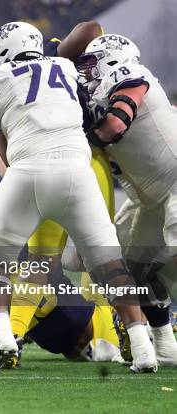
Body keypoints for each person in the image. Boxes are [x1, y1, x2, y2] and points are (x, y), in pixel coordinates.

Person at [0, 21, 156, 374]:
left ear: (2, 52)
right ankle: (142, 347)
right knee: (109, 265)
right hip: (79, 172)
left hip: (29, 172)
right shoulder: (65, 67)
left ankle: (2, 337)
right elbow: (89, 31)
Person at [76, 33, 177, 367]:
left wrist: (85, 128)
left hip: (174, 182)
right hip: (149, 198)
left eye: (92, 62)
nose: (87, 70)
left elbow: (115, 125)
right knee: (131, 269)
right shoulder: (96, 95)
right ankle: (164, 344)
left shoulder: (132, 73)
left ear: (113, 58)